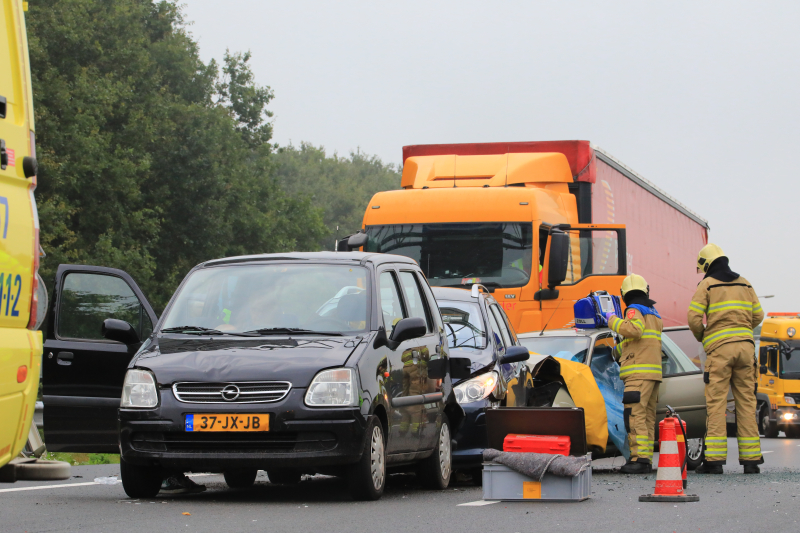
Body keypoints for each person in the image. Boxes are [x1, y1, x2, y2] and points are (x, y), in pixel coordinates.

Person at [688, 244, 764, 474]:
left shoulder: (708, 285)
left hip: (720, 352)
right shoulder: (745, 282)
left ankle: (714, 462)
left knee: (717, 405)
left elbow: (693, 317)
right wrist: (741, 331)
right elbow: (758, 315)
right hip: (745, 350)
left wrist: (704, 336)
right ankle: (751, 462)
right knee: (747, 404)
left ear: (707, 264)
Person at [605, 274, 663, 474]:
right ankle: (645, 458)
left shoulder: (633, 310)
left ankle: (638, 459)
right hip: (652, 374)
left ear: (624, 295)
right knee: (646, 419)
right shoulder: (653, 313)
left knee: (634, 417)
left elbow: (635, 331)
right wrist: (616, 351)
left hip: (638, 376)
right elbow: (640, 343)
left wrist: (612, 320)